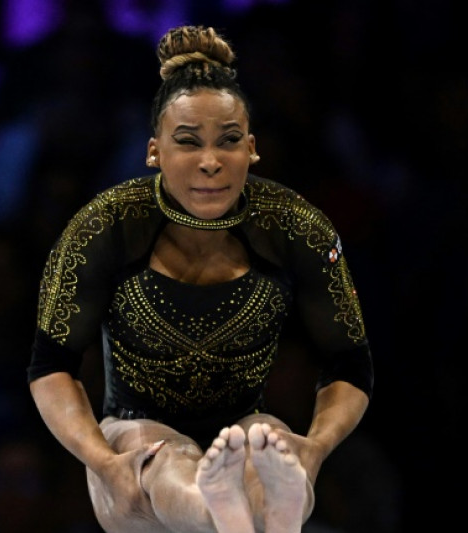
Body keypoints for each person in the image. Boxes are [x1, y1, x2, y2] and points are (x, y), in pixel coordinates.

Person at [26, 24, 374, 533]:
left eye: (228, 141)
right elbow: (50, 366)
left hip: (242, 425)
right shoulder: (106, 225)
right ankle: (219, 508)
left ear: (251, 147)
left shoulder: (296, 227)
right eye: (188, 142)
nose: (210, 162)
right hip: (132, 439)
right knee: (168, 460)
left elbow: (351, 365)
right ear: (154, 152)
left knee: (270, 443)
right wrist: (103, 462)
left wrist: (315, 447)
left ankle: (257, 508)